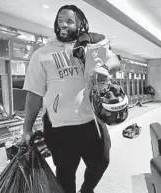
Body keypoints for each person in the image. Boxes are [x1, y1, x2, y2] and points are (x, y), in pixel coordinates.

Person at [21, 4, 121, 193]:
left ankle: (87, 189)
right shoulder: (42, 54)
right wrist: (26, 129)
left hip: (92, 121)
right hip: (60, 128)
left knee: (102, 161)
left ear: (80, 24)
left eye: (69, 21)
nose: (63, 25)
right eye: (60, 21)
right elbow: (34, 95)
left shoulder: (92, 47)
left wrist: (105, 68)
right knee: (66, 174)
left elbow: (115, 60)